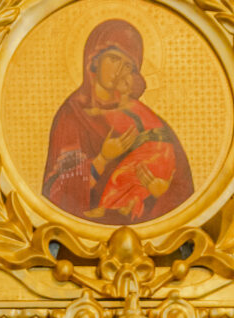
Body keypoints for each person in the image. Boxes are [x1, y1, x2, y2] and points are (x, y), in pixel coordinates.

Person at [42, 19, 194, 225]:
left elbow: (182, 187)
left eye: (127, 65)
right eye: (113, 59)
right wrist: (102, 159)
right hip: (84, 232)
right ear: (94, 58)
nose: (118, 71)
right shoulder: (72, 116)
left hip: (145, 231)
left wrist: (161, 191)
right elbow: (56, 192)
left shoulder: (145, 117)